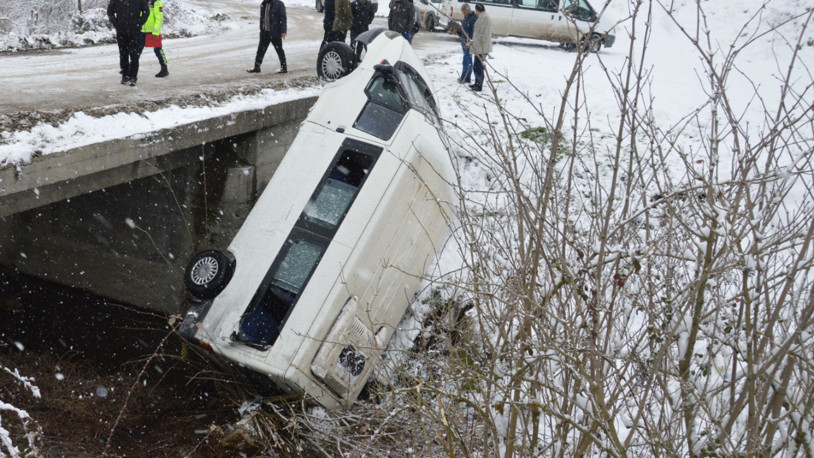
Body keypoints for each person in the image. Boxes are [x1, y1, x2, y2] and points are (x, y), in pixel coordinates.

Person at [107, 0, 149, 86]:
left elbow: (146, 11)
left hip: (135, 31)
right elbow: (110, 11)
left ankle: (133, 76)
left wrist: (139, 23)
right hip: (121, 31)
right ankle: (125, 75)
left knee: (134, 55)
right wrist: (116, 23)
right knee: (123, 54)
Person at [247, 0, 288, 73]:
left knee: (279, 50)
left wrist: (283, 31)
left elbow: (283, 18)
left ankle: (284, 67)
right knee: (260, 50)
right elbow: (262, 18)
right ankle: (257, 67)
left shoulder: (279, 4)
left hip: (275, 32)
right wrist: (261, 28)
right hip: (265, 32)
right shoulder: (263, 4)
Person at [467, 3, 492, 92]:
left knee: (478, 67)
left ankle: (479, 85)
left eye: (476, 10)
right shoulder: (484, 17)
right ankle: (477, 83)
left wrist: (472, 43)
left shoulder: (483, 18)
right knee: (477, 66)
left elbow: (479, 34)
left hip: (482, 47)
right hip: (481, 46)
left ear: (478, 10)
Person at [142, 0, 169, 78]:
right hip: (141, 31)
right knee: (136, 51)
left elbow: (159, 18)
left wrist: (156, 31)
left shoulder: (156, 2)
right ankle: (130, 69)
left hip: (153, 32)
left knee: (158, 51)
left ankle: (164, 68)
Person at [457, 3, 476, 83]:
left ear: (469, 10)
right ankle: (467, 77)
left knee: (466, 60)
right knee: (468, 60)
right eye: (463, 12)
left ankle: (464, 77)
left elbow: (473, 32)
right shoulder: (467, 17)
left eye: (464, 12)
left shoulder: (474, 18)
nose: (463, 14)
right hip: (464, 40)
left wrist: (468, 42)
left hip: (468, 42)